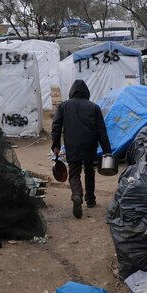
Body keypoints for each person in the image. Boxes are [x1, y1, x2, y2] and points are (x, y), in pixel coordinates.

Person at [51, 80, 112, 219]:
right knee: (89, 171)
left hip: (72, 145)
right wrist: (107, 150)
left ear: (72, 91)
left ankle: (77, 195)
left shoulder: (64, 106)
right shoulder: (94, 107)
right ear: (86, 92)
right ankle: (90, 199)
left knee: (74, 173)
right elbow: (101, 130)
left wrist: (55, 145)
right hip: (90, 144)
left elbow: (56, 126)